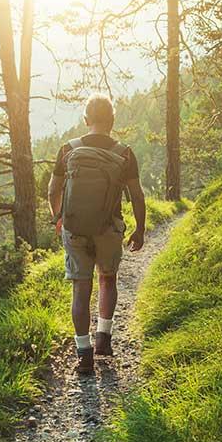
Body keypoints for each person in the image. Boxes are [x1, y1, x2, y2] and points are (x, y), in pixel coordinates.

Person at [48, 95, 146, 374]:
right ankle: (103, 337)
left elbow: (52, 190)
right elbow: (136, 196)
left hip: (74, 228)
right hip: (109, 227)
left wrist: (60, 217)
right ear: (112, 122)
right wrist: (139, 228)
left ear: (86, 120)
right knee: (107, 279)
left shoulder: (68, 148)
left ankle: (84, 353)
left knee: (80, 288)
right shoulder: (124, 152)